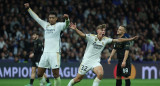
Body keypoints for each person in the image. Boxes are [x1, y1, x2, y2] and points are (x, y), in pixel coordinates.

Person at [67, 23, 138, 86]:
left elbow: (118, 40)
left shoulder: (106, 39)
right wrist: (75, 29)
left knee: (100, 73)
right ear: (98, 31)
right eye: (102, 30)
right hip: (86, 61)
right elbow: (82, 34)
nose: (103, 32)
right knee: (78, 79)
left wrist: (130, 39)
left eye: (104, 30)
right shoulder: (91, 37)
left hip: (95, 62)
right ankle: (70, 84)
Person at [24, 3, 70, 86]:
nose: (51, 19)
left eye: (53, 18)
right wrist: (29, 9)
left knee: (56, 75)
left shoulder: (59, 25)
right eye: (50, 18)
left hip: (55, 53)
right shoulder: (46, 25)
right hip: (45, 53)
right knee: (39, 74)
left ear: (56, 18)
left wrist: (67, 19)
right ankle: (44, 84)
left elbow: (66, 25)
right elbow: (36, 18)